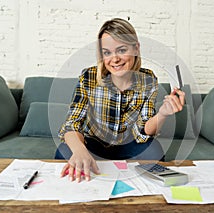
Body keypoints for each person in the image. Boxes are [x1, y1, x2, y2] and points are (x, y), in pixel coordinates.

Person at [56, 18, 185, 182]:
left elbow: (144, 129)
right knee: (64, 151)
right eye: (107, 52)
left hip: (128, 144)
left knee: (154, 149)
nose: (114, 59)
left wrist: (163, 113)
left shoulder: (148, 80)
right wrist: (79, 150)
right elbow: (72, 123)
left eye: (122, 50)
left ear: (136, 48)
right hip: (93, 143)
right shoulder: (89, 77)